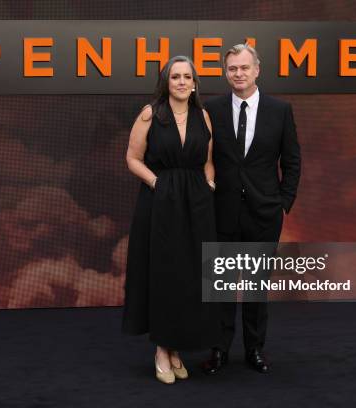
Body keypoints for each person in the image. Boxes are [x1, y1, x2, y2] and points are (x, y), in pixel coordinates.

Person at [202, 44, 301, 374]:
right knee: (222, 286)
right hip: (222, 210)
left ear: (257, 70)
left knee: (257, 286)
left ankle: (255, 350)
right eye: (232, 69)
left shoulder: (280, 110)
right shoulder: (211, 109)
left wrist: (283, 203)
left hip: (264, 213)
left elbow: (292, 162)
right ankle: (218, 350)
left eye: (244, 68)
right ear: (225, 73)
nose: (239, 74)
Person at [122, 56, 221, 384]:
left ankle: (176, 348)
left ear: (195, 83)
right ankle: (162, 350)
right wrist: (157, 184)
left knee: (190, 276)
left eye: (187, 76)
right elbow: (132, 158)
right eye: (175, 76)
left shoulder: (203, 116)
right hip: (160, 202)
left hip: (196, 205)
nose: (181, 81)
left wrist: (208, 185)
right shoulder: (151, 114)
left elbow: (207, 160)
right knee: (164, 274)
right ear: (166, 82)